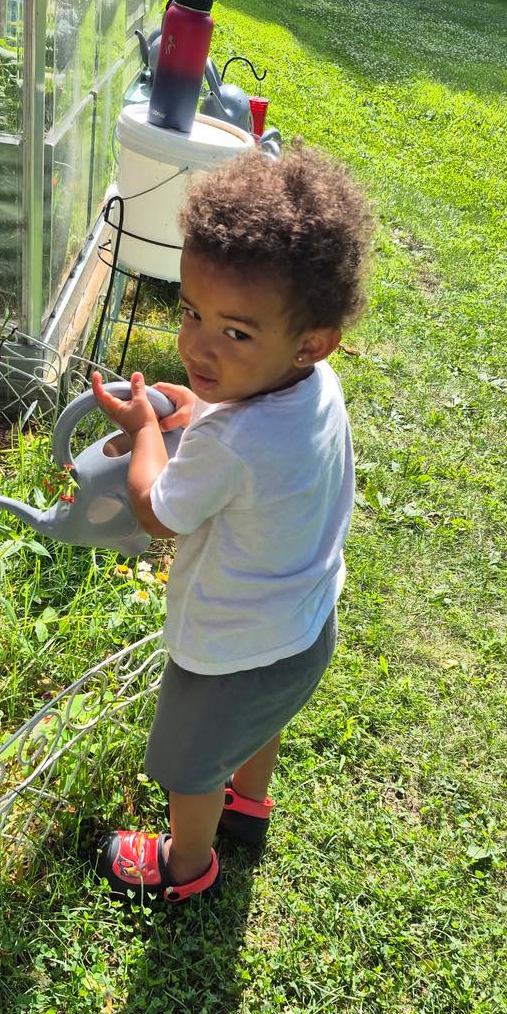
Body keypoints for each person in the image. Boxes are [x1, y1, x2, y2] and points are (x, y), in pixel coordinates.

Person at [90, 144, 371, 903]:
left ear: (308, 342)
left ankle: (187, 866)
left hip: (226, 649)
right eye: (190, 312)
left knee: (190, 767)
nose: (197, 345)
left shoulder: (229, 442)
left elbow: (157, 510)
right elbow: (244, 433)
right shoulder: (316, 383)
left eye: (235, 334)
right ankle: (249, 806)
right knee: (257, 724)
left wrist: (145, 433)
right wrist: (197, 402)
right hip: (302, 627)